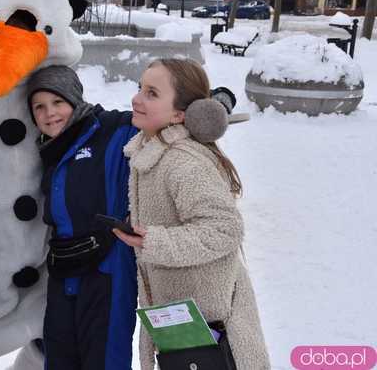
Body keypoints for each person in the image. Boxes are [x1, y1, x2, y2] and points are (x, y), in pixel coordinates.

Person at [115, 59, 270, 370]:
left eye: (151, 93)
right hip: (185, 325)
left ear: (179, 114)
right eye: (139, 88)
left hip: (216, 331)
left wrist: (153, 241)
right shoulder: (150, 153)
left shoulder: (183, 162)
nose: (137, 99)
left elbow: (224, 229)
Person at [26, 65, 138, 370]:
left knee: (104, 360)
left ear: (74, 99)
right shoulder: (46, 149)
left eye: (57, 102)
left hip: (108, 268)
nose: (49, 114)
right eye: (39, 107)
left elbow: (162, 116)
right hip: (63, 270)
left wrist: (213, 103)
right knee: (58, 358)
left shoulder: (112, 128)